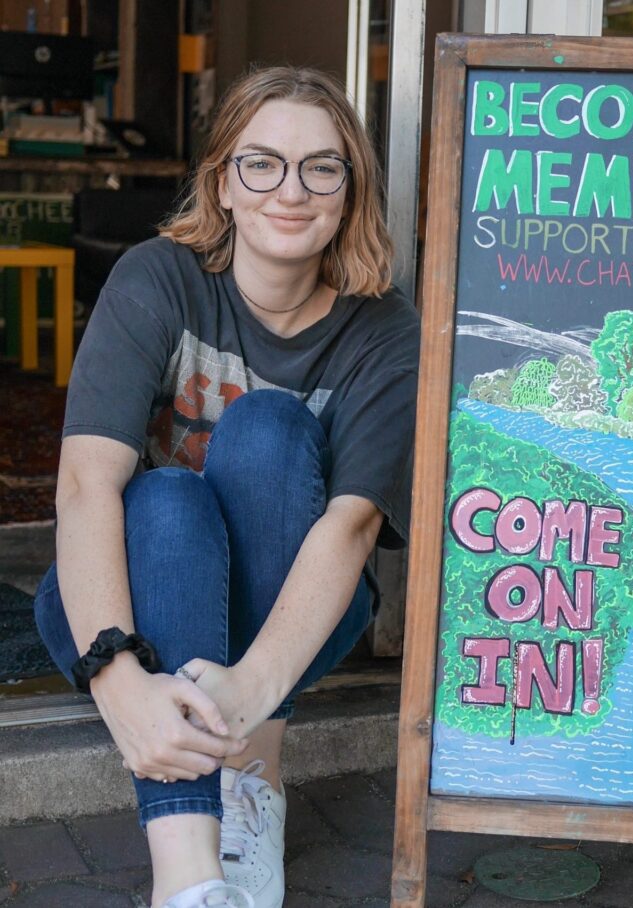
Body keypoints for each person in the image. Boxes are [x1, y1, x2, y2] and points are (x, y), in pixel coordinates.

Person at [33, 65, 419, 908]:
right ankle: (189, 871)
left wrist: (248, 695)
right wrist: (117, 676)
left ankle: (253, 777)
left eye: (322, 166)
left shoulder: (383, 326)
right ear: (224, 184)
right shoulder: (157, 277)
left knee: (271, 427)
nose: (291, 189)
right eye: (262, 163)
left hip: (290, 629)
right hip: (119, 608)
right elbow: (86, 485)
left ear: (351, 191)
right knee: (167, 498)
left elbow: (350, 528)